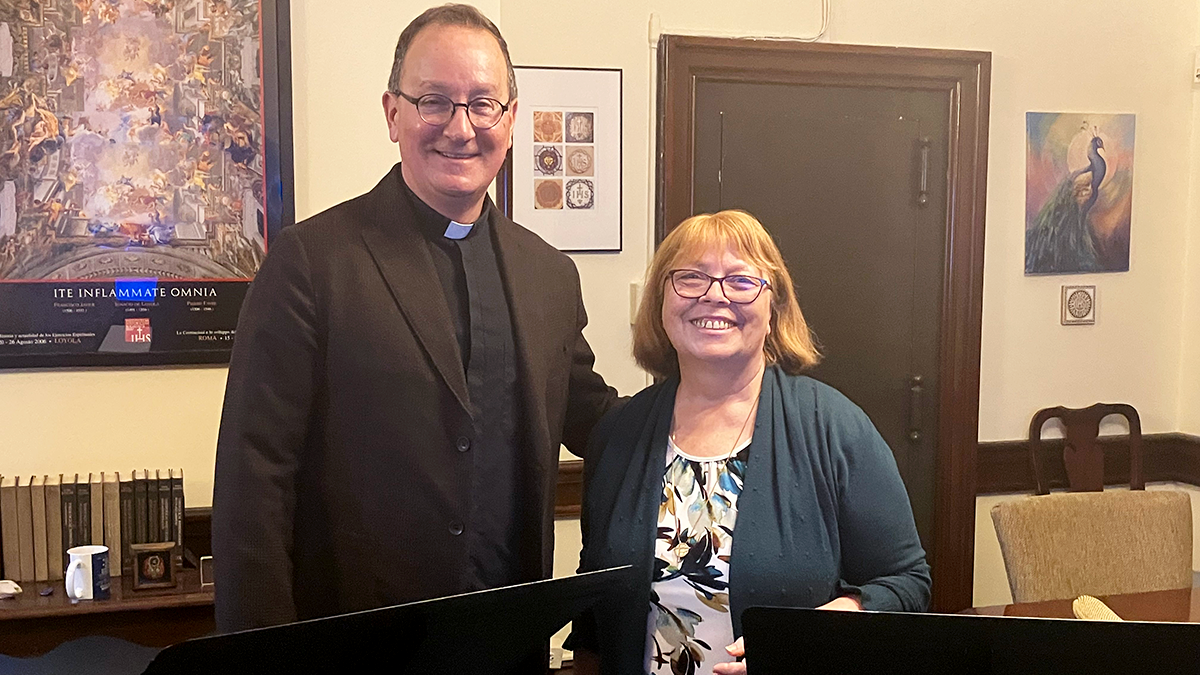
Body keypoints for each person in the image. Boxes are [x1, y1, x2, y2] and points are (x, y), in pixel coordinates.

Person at [212, 4, 618, 634]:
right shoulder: (312, 263)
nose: (461, 127)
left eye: (483, 103)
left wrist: (728, 404)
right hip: (357, 649)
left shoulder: (550, 277)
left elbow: (596, 421)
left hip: (506, 645)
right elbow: (253, 481)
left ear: (511, 120)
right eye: (434, 101)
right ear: (392, 112)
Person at [571, 211, 930, 675]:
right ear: (662, 299)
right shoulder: (618, 434)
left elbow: (908, 583)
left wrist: (823, 632)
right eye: (691, 277)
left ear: (773, 304)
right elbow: (593, 607)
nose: (714, 296)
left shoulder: (835, 428)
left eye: (740, 281)